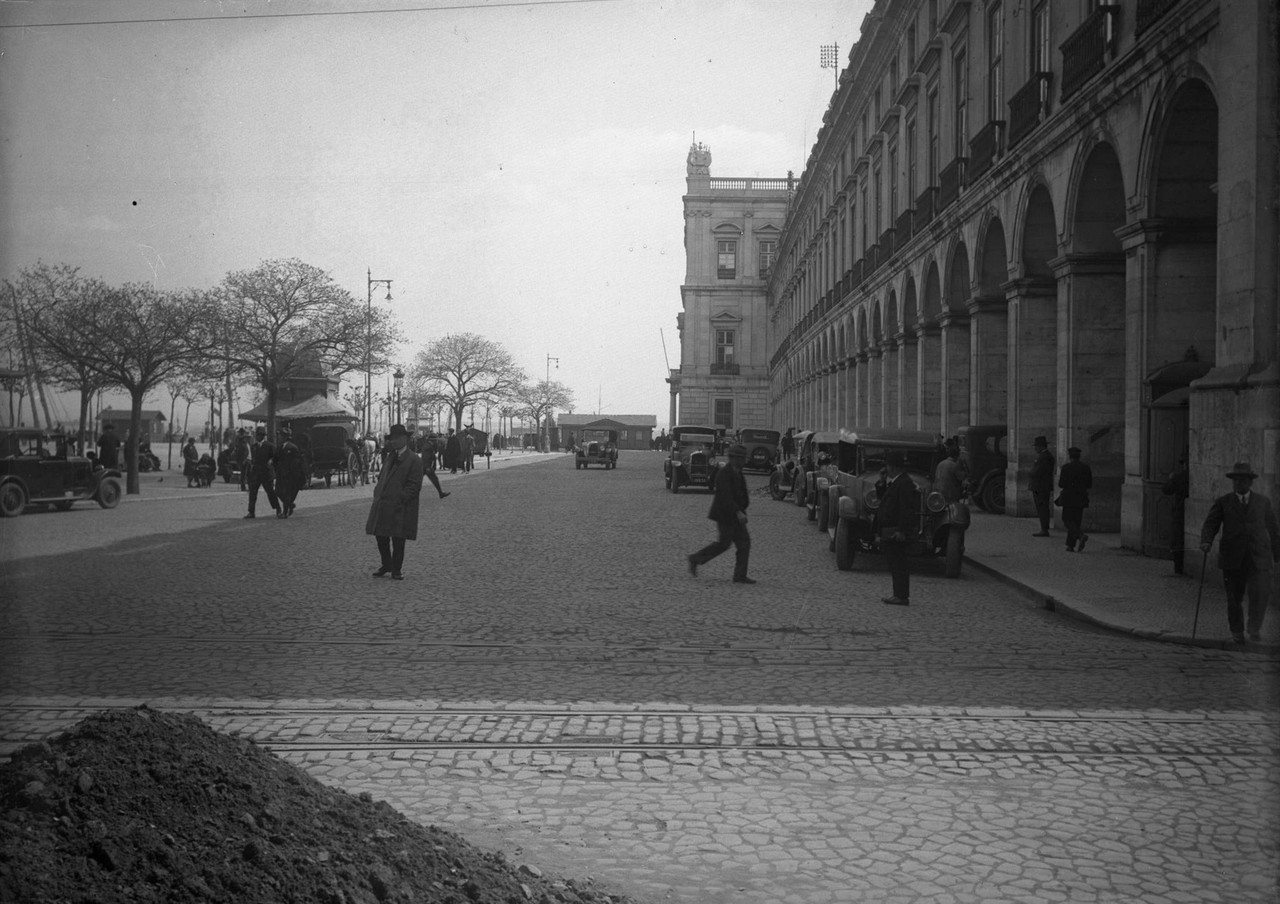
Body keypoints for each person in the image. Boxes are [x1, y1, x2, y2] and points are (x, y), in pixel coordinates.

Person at [1199, 461, 1279, 643]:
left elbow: (1273, 529)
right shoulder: (1223, 502)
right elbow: (1211, 524)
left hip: (1258, 558)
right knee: (1234, 598)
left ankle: (1254, 628)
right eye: (1235, 480)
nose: (1238, 483)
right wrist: (1206, 541)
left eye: (1242, 480)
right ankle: (1237, 631)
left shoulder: (1263, 502)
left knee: (1260, 596)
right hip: (1233, 558)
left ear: (1250, 482)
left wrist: (1277, 554)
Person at [687, 444, 754, 584]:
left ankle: (740, 575)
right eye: (742, 458)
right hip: (725, 516)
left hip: (737, 516)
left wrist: (743, 508)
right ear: (734, 459)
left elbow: (743, 493)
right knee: (723, 544)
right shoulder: (724, 474)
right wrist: (738, 512)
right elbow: (725, 497)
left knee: (744, 543)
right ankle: (695, 559)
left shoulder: (738, 472)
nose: (744, 461)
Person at [365, 424, 425, 581]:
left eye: (397, 439)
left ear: (405, 439)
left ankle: (396, 569)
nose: (393, 442)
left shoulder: (414, 460)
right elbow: (382, 476)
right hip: (383, 504)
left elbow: (414, 485)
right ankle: (386, 564)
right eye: (392, 439)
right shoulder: (390, 457)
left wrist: (402, 498)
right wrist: (378, 492)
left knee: (398, 539)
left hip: (400, 506)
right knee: (381, 536)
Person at [879, 451, 918, 606]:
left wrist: (901, 530)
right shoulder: (897, 482)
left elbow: (906, 509)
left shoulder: (904, 483)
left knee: (899, 563)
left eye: (888, 466)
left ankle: (901, 595)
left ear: (894, 467)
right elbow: (882, 499)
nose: (886, 469)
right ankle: (898, 594)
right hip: (891, 529)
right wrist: (882, 482)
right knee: (894, 563)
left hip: (896, 530)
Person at [1056, 446, 1093, 552]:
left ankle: (1080, 535)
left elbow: (1061, 484)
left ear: (1069, 456)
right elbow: (1089, 484)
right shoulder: (1086, 468)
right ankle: (1070, 545)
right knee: (1076, 521)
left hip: (1069, 497)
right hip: (1081, 497)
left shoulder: (1066, 467)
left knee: (1067, 519)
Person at [244, 426, 280, 519]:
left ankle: (278, 509)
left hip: (266, 473)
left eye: (259, 435)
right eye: (257, 435)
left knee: (270, 492)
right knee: (252, 493)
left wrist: (271, 460)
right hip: (256, 473)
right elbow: (252, 459)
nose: (257, 436)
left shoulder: (270, 446)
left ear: (263, 436)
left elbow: (276, 457)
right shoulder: (254, 447)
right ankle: (251, 512)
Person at [1163, 458, 1190, 575]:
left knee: (1177, 539)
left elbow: (1166, 490)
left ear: (1185, 464)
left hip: (1179, 511)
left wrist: (1170, 478)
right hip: (1185, 511)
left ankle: (1178, 568)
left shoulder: (1179, 477)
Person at [273, 432, 308, 518]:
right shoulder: (280, 447)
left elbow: (297, 462)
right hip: (281, 474)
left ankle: (285, 512)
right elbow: (275, 460)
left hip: (290, 475)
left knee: (287, 493)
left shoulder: (292, 447)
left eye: (280, 436)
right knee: (277, 491)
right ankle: (290, 504)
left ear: (285, 437)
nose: (278, 438)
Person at [1029, 435, 1055, 537]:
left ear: (1041, 446)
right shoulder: (1044, 456)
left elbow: (1037, 472)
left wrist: (1030, 473)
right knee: (1042, 507)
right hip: (1041, 486)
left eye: (1036, 446)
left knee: (1042, 507)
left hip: (1041, 486)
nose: (1035, 448)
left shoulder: (1044, 457)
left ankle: (1044, 529)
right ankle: (1044, 528)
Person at [934, 437, 969, 503]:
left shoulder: (940, 464)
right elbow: (962, 478)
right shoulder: (954, 465)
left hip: (938, 492)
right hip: (950, 494)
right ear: (956, 456)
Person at [419, 432, 449, 499]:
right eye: (435, 440)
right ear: (432, 440)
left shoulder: (429, 445)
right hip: (425, 467)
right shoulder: (428, 447)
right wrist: (427, 467)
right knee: (418, 482)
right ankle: (441, 493)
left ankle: (441, 493)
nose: (436, 442)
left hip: (426, 467)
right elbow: (425, 458)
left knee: (434, 479)